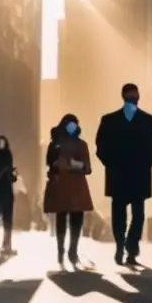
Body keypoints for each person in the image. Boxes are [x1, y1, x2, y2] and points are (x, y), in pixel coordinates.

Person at [95, 83, 152, 265]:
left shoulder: (147, 120)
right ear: (124, 95)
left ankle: (131, 247)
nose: (134, 97)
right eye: (132, 94)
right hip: (118, 175)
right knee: (119, 215)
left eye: (136, 94)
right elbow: (100, 147)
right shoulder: (109, 120)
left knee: (138, 215)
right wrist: (111, 164)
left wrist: (146, 164)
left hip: (139, 175)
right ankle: (120, 245)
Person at [44, 114, 95, 268]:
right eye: (69, 123)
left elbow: (88, 167)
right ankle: (61, 250)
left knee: (76, 219)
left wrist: (76, 165)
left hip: (77, 187)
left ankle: (73, 250)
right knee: (61, 218)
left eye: (75, 123)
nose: (72, 126)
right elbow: (49, 163)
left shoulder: (82, 145)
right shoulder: (55, 144)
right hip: (61, 185)